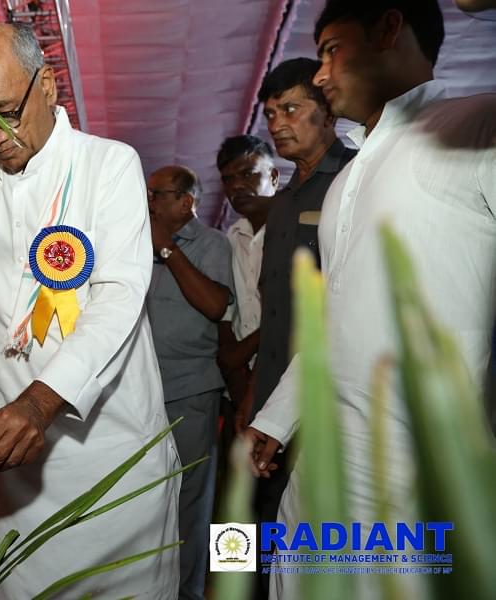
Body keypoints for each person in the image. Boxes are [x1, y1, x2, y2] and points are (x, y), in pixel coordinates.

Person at [245, 2, 496, 599]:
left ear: (389, 28)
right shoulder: (346, 180)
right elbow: (335, 318)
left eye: (332, 49)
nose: (322, 75)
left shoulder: (475, 126)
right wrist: (275, 420)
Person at [0, 22, 180, 598]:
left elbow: (119, 296)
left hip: (109, 461)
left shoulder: (110, 166)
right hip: (8, 469)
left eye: (3, 113)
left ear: (46, 86)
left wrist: (40, 402)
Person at [247, 57, 357, 600]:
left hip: (328, 401)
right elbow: (272, 317)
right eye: (270, 114)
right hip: (271, 397)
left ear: (327, 110)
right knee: (258, 530)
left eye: (291, 108)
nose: (278, 123)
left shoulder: (354, 182)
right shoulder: (284, 201)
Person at [146, 165, 233, 600]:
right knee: (145, 499)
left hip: (190, 389)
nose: (149, 202)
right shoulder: (133, 244)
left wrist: (167, 251)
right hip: (141, 392)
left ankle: (188, 593)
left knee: (190, 502)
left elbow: (216, 305)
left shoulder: (212, 244)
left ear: (186, 201)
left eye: (157, 194)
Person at [215, 136, 278, 411]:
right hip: (240, 385)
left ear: (274, 176)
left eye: (248, 174)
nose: (236, 186)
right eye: (228, 180)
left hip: (289, 380)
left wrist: (238, 354)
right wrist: (237, 377)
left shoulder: (301, 229)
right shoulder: (230, 238)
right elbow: (228, 315)